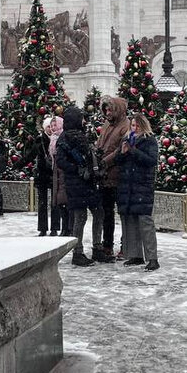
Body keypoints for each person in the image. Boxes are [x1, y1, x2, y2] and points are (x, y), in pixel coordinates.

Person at [56, 106, 101, 267]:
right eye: (81, 118)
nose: (83, 120)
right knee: (80, 217)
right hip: (76, 183)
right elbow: (60, 161)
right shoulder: (65, 138)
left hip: (86, 182)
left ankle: (97, 247)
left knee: (97, 212)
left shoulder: (79, 135)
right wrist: (77, 169)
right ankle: (78, 252)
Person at [117, 112, 160, 270]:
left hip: (142, 186)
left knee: (145, 222)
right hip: (128, 186)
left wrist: (133, 151)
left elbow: (150, 160)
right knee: (130, 221)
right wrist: (122, 153)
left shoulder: (149, 140)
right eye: (132, 125)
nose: (134, 129)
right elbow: (118, 161)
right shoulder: (126, 140)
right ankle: (135, 255)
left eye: (136, 126)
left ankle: (152, 258)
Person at [95, 97, 131, 259]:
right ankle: (107, 245)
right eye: (106, 110)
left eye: (110, 110)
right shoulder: (106, 125)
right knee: (106, 213)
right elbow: (101, 145)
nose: (108, 113)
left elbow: (120, 151)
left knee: (123, 214)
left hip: (119, 176)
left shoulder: (126, 126)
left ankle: (126, 246)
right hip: (105, 178)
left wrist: (104, 162)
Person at [33, 117, 56, 236]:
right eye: (48, 127)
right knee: (42, 202)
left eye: (52, 126)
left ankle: (54, 228)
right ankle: (42, 228)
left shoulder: (57, 138)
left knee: (54, 202)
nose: (51, 129)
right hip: (42, 173)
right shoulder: (40, 139)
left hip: (53, 173)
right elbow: (32, 153)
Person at [48, 115, 70, 237]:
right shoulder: (53, 138)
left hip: (63, 172)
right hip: (56, 171)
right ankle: (64, 228)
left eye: (55, 125)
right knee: (60, 201)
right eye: (51, 125)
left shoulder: (63, 136)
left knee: (65, 201)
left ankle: (67, 228)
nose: (53, 127)